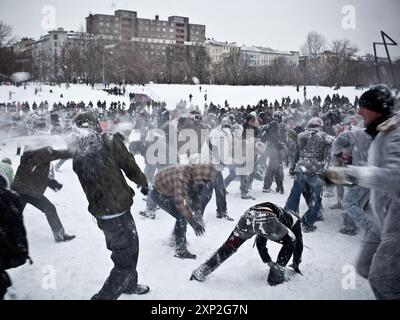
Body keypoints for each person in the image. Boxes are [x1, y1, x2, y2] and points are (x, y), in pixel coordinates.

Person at [326, 84, 400, 299]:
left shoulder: (395, 134)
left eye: (363, 107)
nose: (358, 112)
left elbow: (397, 176)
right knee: (365, 266)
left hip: (397, 220)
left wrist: (349, 174)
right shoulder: (381, 132)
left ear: (376, 109)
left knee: (383, 279)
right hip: (382, 215)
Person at [70, 111, 150, 300]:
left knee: (129, 249)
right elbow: (129, 165)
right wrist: (142, 181)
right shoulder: (107, 140)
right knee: (125, 261)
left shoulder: (79, 152)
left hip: (103, 213)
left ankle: (129, 285)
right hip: (117, 211)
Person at [190, 202, 303, 286]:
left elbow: (261, 240)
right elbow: (299, 243)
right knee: (292, 241)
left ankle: (201, 271)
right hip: (266, 218)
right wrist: (296, 264)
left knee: (228, 247)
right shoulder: (295, 221)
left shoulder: (279, 211)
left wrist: (267, 261)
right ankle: (276, 276)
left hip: (247, 217)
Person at [150, 164, 218, 259]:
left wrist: (197, 214)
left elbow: (195, 195)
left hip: (170, 190)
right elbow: (181, 203)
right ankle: (180, 249)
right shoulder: (183, 176)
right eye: (205, 180)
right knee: (182, 215)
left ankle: (175, 238)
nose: (205, 183)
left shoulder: (196, 173)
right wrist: (194, 223)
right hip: (158, 193)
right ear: (200, 175)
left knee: (184, 212)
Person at [12, 144, 75, 243]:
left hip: (26, 189)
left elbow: (35, 173)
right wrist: (74, 150)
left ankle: (59, 234)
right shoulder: (39, 150)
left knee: (49, 208)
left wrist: (49, 182)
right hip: (24, 190)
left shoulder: (31, 151)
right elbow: (57, 154)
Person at [285, 117, 333, 232]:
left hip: (301, 168)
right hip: (316, 170)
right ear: (320, 126)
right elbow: (328, 157)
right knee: (315, 197)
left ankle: (288, 219)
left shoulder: (301, 136)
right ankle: (307, 223)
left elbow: (295, 153)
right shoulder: (324, 137)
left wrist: (292, 167)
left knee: (294, 195)